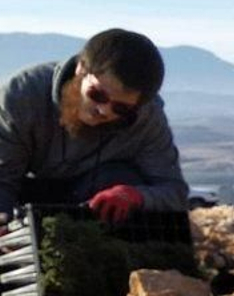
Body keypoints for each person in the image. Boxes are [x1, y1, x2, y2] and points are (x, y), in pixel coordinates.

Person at [0, 28, 188, 223]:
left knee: (123, 180)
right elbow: (3, 179)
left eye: (121, 108)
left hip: (96, 204)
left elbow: (174, 192)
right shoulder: (21, 95)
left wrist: (136, 196)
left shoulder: (147, 118)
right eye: (98, 95)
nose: (104, 111)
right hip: (26, 195)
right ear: (81, 69)